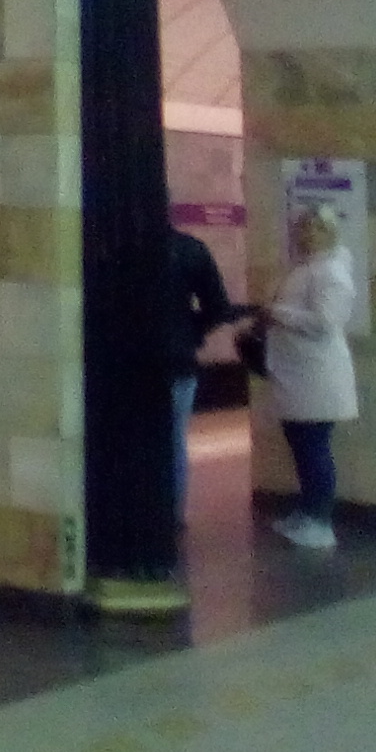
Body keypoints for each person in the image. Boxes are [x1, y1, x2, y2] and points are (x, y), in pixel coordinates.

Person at [255, 210, 358, 550]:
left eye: (313, 228)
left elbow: (325, 322)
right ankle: (308, 511)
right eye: (300, 228)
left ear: (329, 232)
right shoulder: (305, 268)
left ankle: (320, 522)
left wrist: (277, 313)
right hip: (296, 374)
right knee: (301, 447)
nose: (304, 234)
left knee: (314, 449)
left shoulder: (332, 272)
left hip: (317, 376)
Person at [162, 223, 240, 527]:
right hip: (178, 360)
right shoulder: (190, 249)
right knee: (174, 442)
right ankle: (171, 516)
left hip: (124, 364)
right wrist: (191, 330)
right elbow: (218, 308)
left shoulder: (117, 247)